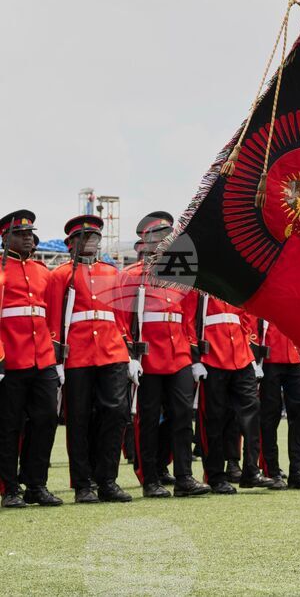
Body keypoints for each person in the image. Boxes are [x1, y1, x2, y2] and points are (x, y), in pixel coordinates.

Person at [117, 212, 210, 498]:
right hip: (149, 357)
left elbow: (188, 320)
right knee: (146, 419)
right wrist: (129, 355)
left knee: (182, 416)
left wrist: (194, 359)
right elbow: (122, 319)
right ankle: (150, 478)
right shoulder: (132, 276)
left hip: (178, 355)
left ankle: (184, 476)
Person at [45, 215, 132, 503]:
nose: (91, 242)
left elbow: (121, 317)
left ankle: (108, 480)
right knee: (79, 418)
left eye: (95, 237)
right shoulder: (60, 275)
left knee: (116, 413)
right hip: (78, 354)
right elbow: (54, 318)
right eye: (85, 237)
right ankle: (83, 484)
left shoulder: (111, 273)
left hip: (112, 351)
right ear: (71, 243)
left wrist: (128, 351)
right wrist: (57, 357)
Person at [0, 211, 61, 507]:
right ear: (5, 237)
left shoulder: (42, 271)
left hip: (42, 360)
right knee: (9, 425)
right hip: (9, 361)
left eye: (30, 233)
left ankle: (36, 484)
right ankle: (10, 488)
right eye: (21, 234)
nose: (28, 238)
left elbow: (51, 316)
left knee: (47, 418)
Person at [194, 293, 275, 494]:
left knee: (252, 410)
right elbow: (190, 318)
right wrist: (195, 357)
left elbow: (246, 317)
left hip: (241, 353)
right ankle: (215, 476)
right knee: (214, 418)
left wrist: (251, 351)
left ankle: (251, 471)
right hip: (212, 355)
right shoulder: (199, 283)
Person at [256, 319, 300, 489]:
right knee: (269, 416)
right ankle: (272, 471)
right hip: (269, 354)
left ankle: (298, 471)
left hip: (297, 355)